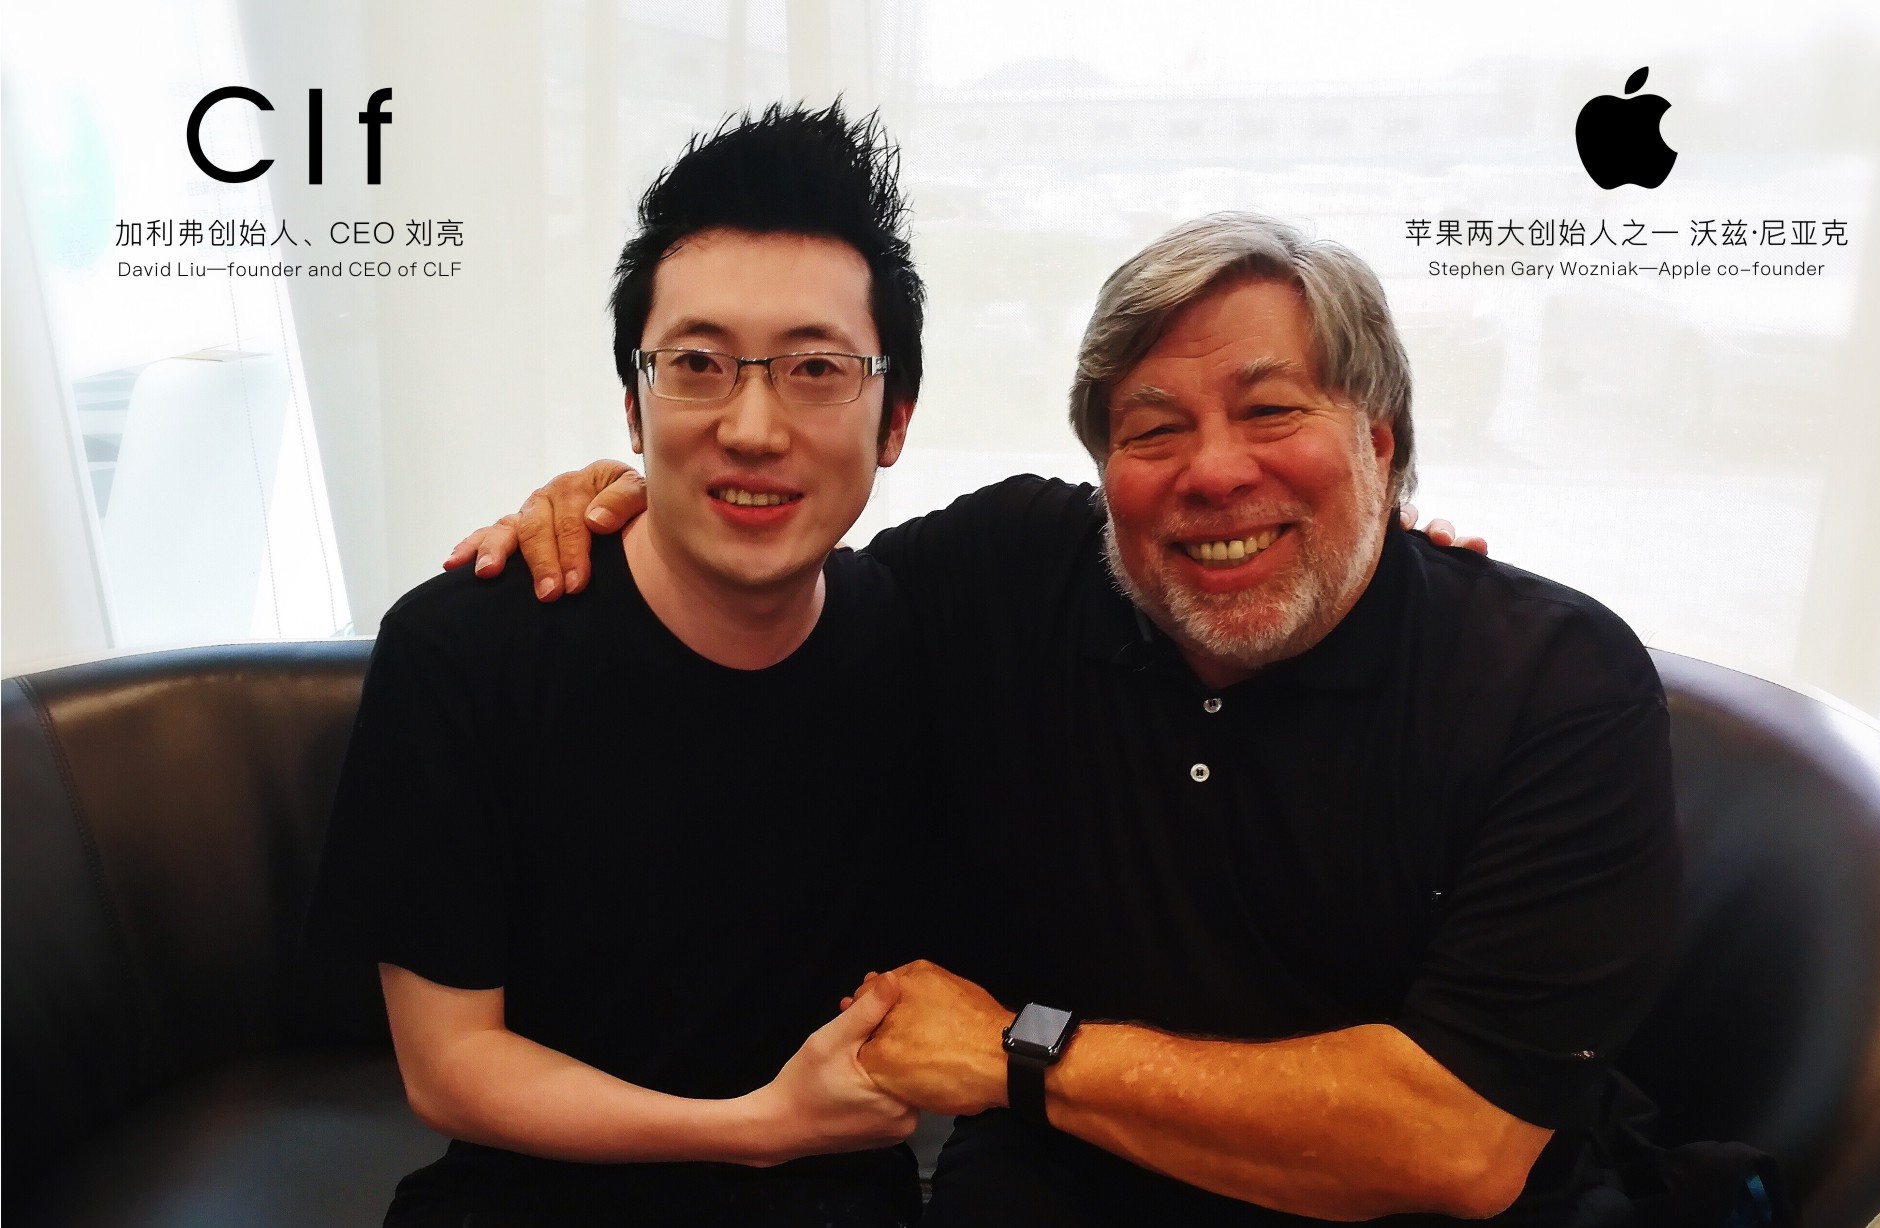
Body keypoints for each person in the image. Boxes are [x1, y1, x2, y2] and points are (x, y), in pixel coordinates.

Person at [461, 212, 1680, 1227]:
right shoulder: (1009, 578)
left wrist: (1019, 1051)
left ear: (1378, 438)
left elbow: (1458, 1142)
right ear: (1105, 472)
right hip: (1057, 1190)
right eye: (1153, 429)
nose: (1214, 472)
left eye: (1271, 413)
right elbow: (769, 590)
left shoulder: (1553, 684)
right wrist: (630, 512)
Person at [305, 103, 939, 1228]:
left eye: (815, 368)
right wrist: (760, 1128)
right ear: (634, 410)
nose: (752, 427)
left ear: (894, 421)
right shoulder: (464, 651)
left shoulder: (925, 635)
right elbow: (449, 1067)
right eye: (697, 364)